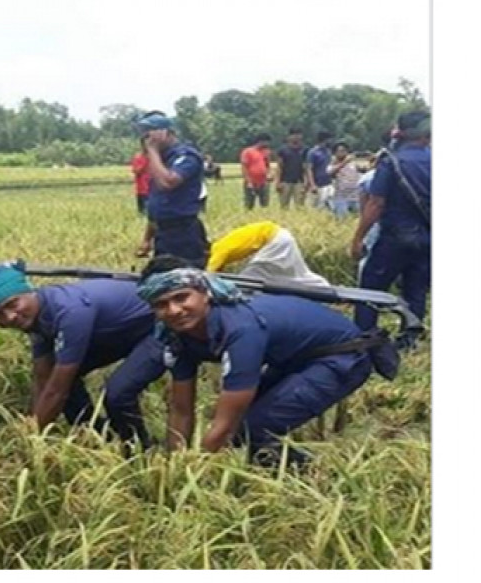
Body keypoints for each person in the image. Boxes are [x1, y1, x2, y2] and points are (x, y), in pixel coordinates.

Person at [136, 256, 377, 467]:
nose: (174, 310)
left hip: (342, 356)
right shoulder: (175, 337)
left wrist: (195, 471)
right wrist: (174, 461)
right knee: (244, 427)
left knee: (252, 428)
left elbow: (225, 426)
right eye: (161, 305)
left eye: (181, 298)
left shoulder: (240, 329)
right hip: (292, 358)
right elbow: (181, 410)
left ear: (205, 294)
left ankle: (315, 475)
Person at [0, 262, 166, 448]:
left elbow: (57, 390)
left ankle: (138, 449)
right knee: (59, 376)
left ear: (29, 292)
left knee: (117, 392)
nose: (9, 316)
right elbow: (42, 376)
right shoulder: (36, 319)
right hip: (122, 331)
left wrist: (30, 439)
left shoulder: (69, 311)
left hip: (160, 326)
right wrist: (32, 422)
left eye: (13, 304)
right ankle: (97, 437)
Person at [350, 111, 431, 349]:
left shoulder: (392, 160)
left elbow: (376, 203)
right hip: (429, 236)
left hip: (396, 236)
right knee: (416, 288)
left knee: (371, 288)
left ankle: (365, 338)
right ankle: (409, 339)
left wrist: (358, 238)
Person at [133, 112, 210, 269]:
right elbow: (157, 204)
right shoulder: (161, 161)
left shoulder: (186, 156)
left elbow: (168, 182)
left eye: (149, 133)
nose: (146, 139)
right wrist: (147, 239)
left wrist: (152, 151)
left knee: (187, 277)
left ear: (166, 133)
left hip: (183, 232)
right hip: (163, 232)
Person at [206, 221, 329, 286]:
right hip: (280, 235)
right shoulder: (220, 245)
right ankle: (324, 287)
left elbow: (208, 277)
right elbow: (219, 273)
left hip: (275, 240)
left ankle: (327, 291)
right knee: (295, 272)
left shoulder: (217, 252)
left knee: (248, 280)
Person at [276, 128, 309, 209]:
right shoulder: (283, 150)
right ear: (289, 137)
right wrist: (277, 182)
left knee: (300, 206)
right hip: (285, 181)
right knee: (284, 206)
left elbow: (306, 168)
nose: (296, 137)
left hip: (299, 182)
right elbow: (279, 167)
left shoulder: (305, 150)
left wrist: (306, 182)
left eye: (298, 135)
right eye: (294, 135)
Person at [326, 141, 361, 219]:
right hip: (341, 198)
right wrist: (345, 162)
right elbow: (330, 173)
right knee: (342, 220)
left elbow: (363, 170)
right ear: (335, 153)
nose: (343, 153)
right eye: (340, 151)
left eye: (344, 151)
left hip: (355, 197)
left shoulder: (353, 164)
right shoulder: (332, 165)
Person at [240, 133, 272, 210]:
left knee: (265, 204)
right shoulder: (248, 151)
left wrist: (269, 174)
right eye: (266, 142)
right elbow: (244, 167)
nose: (268, 144)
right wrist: (248, 181)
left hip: (263, 182)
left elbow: (267, 164)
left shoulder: (266, 152)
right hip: (251, 181)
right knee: (249, 204)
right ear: (261, 141)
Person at [305, 131, 334, 209]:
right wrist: (312, 184)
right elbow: (309, 169)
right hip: (318, 184)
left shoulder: (328, 152)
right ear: (325, 140)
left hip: (328, 183)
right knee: (318, 207)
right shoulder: (313, 152)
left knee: (330, 206)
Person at [130, 141, 151, 216]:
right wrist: (145, 162)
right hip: (142, 189)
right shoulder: (138, 157)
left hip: (153, 189)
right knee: (142, 212)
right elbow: (136, 171)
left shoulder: (157, 157)